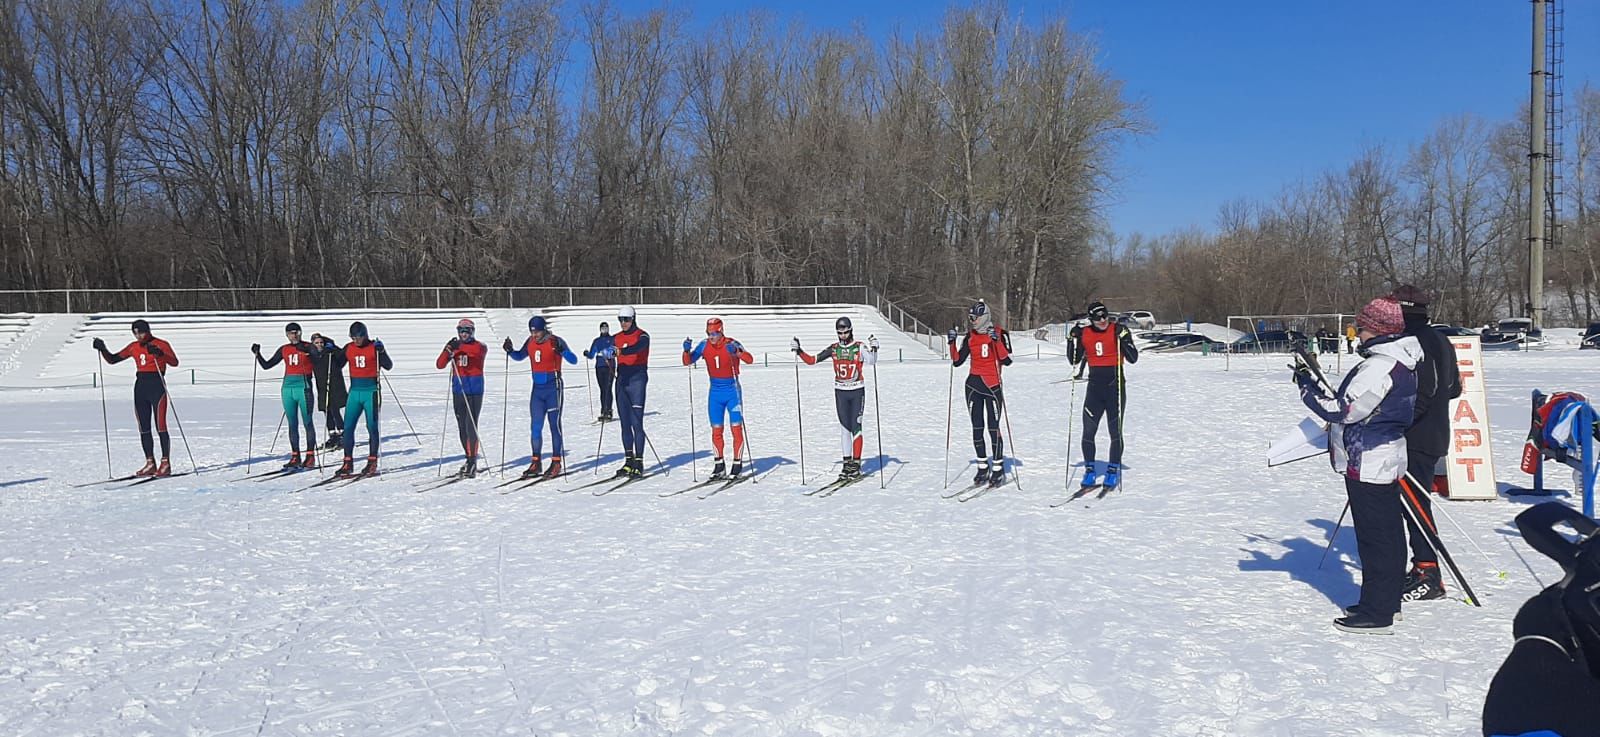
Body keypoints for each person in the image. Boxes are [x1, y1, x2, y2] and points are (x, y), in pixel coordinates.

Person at [1293, 296, 1422, 634]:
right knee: (1388, 534)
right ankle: (1385, 601)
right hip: (1382, 456)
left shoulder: (1381, 365)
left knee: (1376, 538)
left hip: (1370, 460)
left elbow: (1344, 410)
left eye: (1361, 328)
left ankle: (1377, 612)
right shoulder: (1399, 359)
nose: (1358, 334)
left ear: (1378, 330)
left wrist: (1307, 392)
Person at [1389, 285, 1462, 603]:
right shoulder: (1440, 337)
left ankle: (1428, 572)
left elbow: (1429, 390)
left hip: (1416, 436)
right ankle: (1423, 567)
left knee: (1415, 506)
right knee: (1412, 504)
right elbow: (1455, 388)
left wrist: (1396, 421)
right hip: (1432, 434)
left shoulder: (1413, 340)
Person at [794, 317, 879, 481]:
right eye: (840, 333)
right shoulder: (834, 349)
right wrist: (799, 351)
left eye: (845, 332)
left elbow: (871, 361)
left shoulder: (859, 347)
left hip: (856, 390)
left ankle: (856, 463)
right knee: (844, 428)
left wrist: (875, 347)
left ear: (851, 330)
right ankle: (847, 462)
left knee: (856, 426)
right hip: (840, 391)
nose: (843, 336)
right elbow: (812, 361)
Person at [92, 319, 180, 477]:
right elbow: (113, 360)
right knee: (143, 427)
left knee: (160, 425)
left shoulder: (161, 344)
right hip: (141, 387)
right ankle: (150, 462)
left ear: (148, 330)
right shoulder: (133, 347)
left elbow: (174, 362)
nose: (138, 335)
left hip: (157, 386)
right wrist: (103, 349)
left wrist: (160, 354)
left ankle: (165, 462)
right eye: (135, 332)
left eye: (141, 332)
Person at [1069, 301, 1137, 489]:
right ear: (1091, 319)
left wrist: (1124, 339)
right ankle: (1090, 470)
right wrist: (1071, 340)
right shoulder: (1086, 334)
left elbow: (1133, 358)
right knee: (1088, 430)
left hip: (1115, 387)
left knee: (1115, 431)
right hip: (1094, 388)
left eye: (1105, 315)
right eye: (1098, 317)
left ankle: (1113, 469)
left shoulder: (1118, 330)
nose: (1103, 320)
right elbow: (1073, 360)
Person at [505, 316, 577, 479]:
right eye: (532, 331)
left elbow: (573, 360)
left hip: (553, 388)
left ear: (543, 329)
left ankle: (556, 461)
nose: (534, 335)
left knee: (554, 425)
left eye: (537, 331)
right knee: (535, 427)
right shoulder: (530, 342)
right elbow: (519, 356)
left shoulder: (555, 341)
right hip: (537, 390)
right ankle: (536, 461)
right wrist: (510, 351)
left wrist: (562, 351)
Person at [950, 301, 1012, 488]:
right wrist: (952, 343)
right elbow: (957, 361)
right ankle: (982, 467)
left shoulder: (1000, 333)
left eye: (975, 318)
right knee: (977, 427)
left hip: (992, 386)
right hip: (973, 386)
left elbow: (1006, 360)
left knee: (993, 428)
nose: (972, 322)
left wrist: (996, 341)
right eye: (970, 318)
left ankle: (998, 469)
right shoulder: (970, 336)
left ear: (984, 317)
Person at [684, 317, 754, 479]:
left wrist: (737, 352)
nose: (711, 337)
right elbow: (687, 361)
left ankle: (737, 463)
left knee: (736, 428)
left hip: (732, 391)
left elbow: (750, 360)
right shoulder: (704, 345)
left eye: (714, 333)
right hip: (715, 392)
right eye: (709, 333)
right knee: (716, 429)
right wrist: (686, 350)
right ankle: (719, 464)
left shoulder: (732, 343)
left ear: (721, 331)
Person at [252, 322, 319, 470]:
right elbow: (267, 365)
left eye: (296, 332)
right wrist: (258, 354)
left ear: (300, 333)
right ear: (287, 335)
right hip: (287, 388)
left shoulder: (308, 347)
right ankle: (295, 456)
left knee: (307, 422)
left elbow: (319, 360)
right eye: (290, 333)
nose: (293, 336)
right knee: (292, 423)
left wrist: (310, 352)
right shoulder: (284, 349)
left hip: (304, 387)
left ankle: (310, 456)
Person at [337, 321, 392, 478]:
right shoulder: (349, 348)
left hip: (371, 392)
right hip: (354, 392)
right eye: (353, 337)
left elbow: (388, 365)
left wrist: (381, 352)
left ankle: (372, 460)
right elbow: (337, 364)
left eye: (358, 337)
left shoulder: (373, 347)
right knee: (348, 427)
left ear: (365, 335)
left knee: (371, 426)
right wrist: (328, 350)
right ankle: (347, 461)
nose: (356, 341)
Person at [438, 318, 489, 477]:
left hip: (474, 391)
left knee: (470, 425)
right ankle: (468, 458)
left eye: (467, 330)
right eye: (461, 331)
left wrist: (458, 348)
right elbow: (439, 364)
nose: (464, 334)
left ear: (472, 332)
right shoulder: (454, 347)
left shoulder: (480, 346)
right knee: (461, 426)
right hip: (458, 390)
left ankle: (473, 460)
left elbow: (476, 354)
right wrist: (447, 351)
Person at [609, 306, 651, 478]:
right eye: (621, 320)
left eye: (626, 319)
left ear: (633, 319)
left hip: (637, 379)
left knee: (636, 422)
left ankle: (639, 461)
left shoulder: (642, 335)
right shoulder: (616, 338)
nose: (623, 323)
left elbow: (638, 347)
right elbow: (609, 353)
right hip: (622, 380)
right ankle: (629, 460)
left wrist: (620, 351)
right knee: (624, 422)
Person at [309, 331, 348, 451]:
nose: (319, 344)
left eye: (321, 342)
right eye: (317, 343)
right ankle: (333, 435)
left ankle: (343, 435)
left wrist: (333, 347)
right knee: (326, 411)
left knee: (334, 410)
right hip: (321, 386)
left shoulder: (331, 353)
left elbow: (343, 358)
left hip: (334, 386)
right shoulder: (312, 354)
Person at [582, 322, 616, 422]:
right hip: (599, 367)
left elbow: (616, 351)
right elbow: (592, 355)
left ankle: (608, 411)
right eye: (603, 328)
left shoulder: (612, 340)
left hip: (610, 366)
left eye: (606, 328)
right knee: (602, 389)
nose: (604, 330)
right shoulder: (597, 341)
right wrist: (587, 354)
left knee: (608, 388)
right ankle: (603, 410)